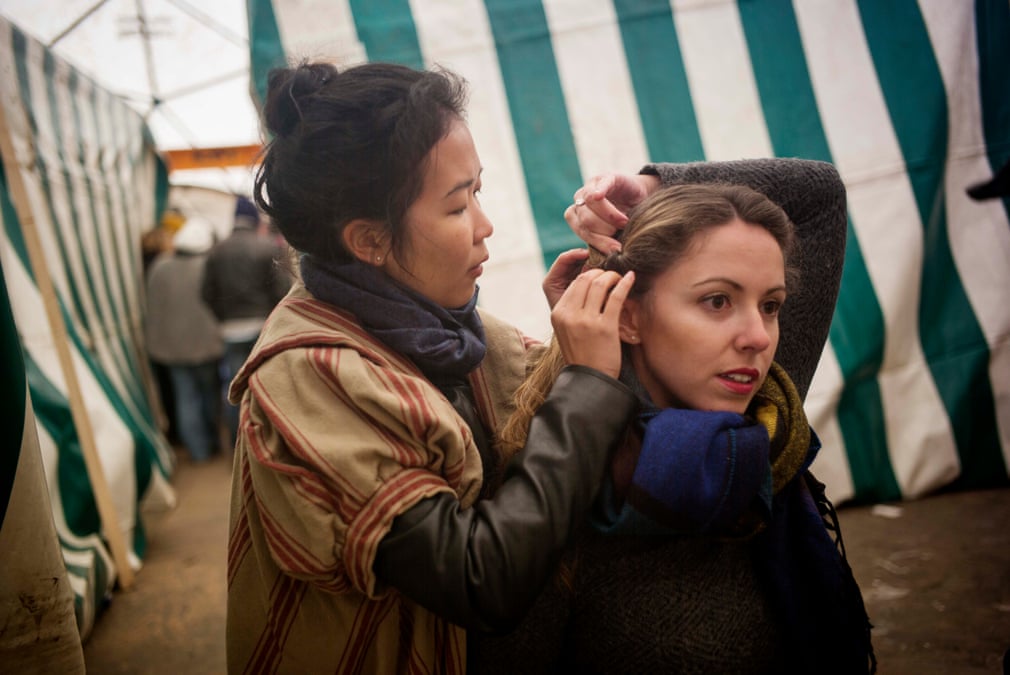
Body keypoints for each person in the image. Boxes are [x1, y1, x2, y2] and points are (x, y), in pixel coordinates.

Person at [225, 60, 638, 673]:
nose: (484, 224)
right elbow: (479, 580)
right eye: (455, 206)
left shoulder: (445, 330)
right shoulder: (309, 371)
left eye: (478, 191)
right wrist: (586, 387)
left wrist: (648, 196)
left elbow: (805, 192)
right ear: (369, 241)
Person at [470, 176, 876, 674]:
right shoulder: (556, 489)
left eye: (771, 305)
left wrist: (652, 186)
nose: (758, 338)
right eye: (717, 301)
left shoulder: (767, 417)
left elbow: (818, 194)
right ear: (629, 317)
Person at [201, 195, 291, 447]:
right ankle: (269, 445)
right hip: (262, 328)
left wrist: (223, 318)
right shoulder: (267, 248)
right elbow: (282, 290)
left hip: (230, 330)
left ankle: (238, 444)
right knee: (269, 386)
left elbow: (206, 293)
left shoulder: (216, 251)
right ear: (253, 220)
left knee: (234, 391)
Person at [144, 217, 224, 463]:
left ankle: (198, 451)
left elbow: (153, 307)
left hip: (171, 347)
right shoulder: (209, 265)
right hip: (207, 344)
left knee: (185, 398)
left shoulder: (160, 267)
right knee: (210, 393)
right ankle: (212, 443)